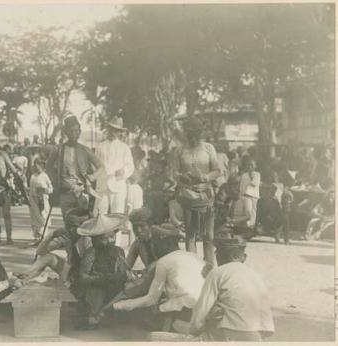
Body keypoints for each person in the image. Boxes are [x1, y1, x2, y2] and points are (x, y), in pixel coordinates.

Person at [114, 224, 205, 334]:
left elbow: (151, 299)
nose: (154, 247)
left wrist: (122, 305)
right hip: (203, 308)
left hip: (185, 311)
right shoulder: (194, 256)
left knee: (144, 315)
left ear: (164, 243)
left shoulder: (164, 262)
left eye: (156, 244)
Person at [187, 235, 274, 341]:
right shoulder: (256, 275)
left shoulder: (217, 273)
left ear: (218, 256)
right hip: (256, 335)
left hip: (228, 333)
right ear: (244, 257)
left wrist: (195, 331)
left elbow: (202, 310)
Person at [70, 212, 130, 330]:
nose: (110, 241)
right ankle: (95, 314)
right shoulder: (91, 253)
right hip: (96, 289)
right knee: (95, 292)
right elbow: (83, 277)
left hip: (113, 289)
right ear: (95, 240)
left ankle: (104, 312)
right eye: (104, 239)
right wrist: (105, 279)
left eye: (112, 237)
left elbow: (123, 272)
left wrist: (125, 275)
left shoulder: (118, 251)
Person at [173, 117, 220, 266]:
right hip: (188, 195)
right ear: (185, 133)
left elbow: (217, 170)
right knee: (190, 234)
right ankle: (192, 268)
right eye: (189, 133)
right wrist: (181, 177)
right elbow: (174, 171)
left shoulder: (208, 148)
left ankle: (210, 266)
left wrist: (205, 177)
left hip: (206, 194)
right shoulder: (180, 150)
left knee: (208, 235)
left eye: (195, 133)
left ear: (200, 133)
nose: (192, 136)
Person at [46, 116, 102, 221]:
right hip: (65, 193)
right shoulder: (58, 149)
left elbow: (101, 167)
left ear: (80, 132)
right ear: (66, 132)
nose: (74, 134)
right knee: (69, 226)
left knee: (83, 226)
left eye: (76, 131)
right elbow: (48, 166)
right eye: (71, 131)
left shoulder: (85, 150)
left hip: (82, 193)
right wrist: (55, 180)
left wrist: (93, 176)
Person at [94, 116, 135, 246]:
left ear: (120, 132)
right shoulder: (100, 146)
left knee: (117, 216)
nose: (114, 132)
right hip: (103, 185)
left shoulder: (124, 148)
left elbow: (130, 166)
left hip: (118, 185)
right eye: (112, 129)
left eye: (117, 130)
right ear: (108, 129)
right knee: (100, 214)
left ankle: (115, 247)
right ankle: (100, 245)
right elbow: (96, 166)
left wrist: (124, 172)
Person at [28, 158, 54, 242]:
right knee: (35, 217)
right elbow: (31, 188)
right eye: (35, 165)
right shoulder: (33, 176)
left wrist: (45, 190)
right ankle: (37, 237)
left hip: (43, 199)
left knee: (43, 216)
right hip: (34, 199)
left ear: (42, 166)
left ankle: (43, 236)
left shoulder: (45, 176)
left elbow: (51, 189)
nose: (36, 167)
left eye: (38, 165)